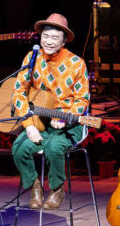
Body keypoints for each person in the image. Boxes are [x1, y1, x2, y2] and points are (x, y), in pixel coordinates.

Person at [11, 13, 90, 210]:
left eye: (55, 38)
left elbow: (82, 99)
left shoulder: (77, 63)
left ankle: (57, 189)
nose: (48, 41)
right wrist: (28, 126)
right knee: (19, 148)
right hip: (40, 121)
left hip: (68, 123)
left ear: (64, 41)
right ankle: (34, 186)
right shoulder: (32, 58)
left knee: (54, 147)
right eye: (45, 36)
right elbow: (19, 92)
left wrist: (66, 119)